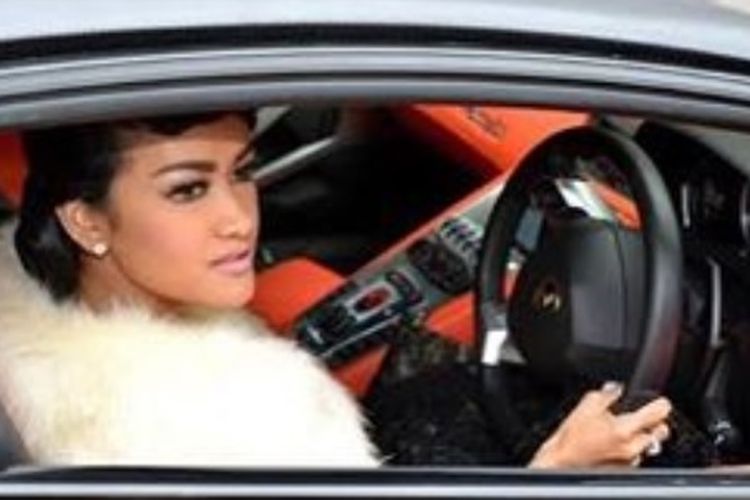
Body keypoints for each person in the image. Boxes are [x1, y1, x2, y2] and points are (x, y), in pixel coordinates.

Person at [0, 110, 670, 467]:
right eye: (188, 190)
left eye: (242, 173)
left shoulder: (51, 357)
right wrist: (554, 479)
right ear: (85, 221)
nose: (239, 219)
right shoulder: (181, 439)